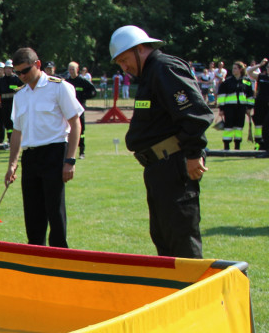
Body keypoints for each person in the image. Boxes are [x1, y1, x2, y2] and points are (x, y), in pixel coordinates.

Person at [110, 25, 213, 258]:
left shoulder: (165, 68)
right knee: (163, 239)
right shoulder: (149, 75)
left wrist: (194, 154)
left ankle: (190, 292)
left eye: (125, 60)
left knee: (181, 239)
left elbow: (195, 114)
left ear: (139, 49)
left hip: (174, 165)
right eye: (119, 64)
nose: (124, 68)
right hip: (158, 167)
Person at [3, 48, 83, 248]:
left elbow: (75, 123)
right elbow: (17, 132)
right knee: (32, 211)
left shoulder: (59, 88)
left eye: (25, 70)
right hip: (30, 157)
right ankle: (35, 252)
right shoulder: (20, 95)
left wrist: (70, 160)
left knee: (54, 209)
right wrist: (12, 164)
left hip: (54, 153)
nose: (22, 76)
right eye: (18, 72)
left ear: (38, 65)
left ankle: (59, 256)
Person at [215, 61, 253, 150]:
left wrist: (249, 107)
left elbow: (250, 95)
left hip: (241, 107)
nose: (233, 70)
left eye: (235, 68)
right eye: (233, 68)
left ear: (240, 69)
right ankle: (226, 146)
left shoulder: (246, 81)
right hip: (229, 107)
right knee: (228, 127)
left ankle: (237, 146)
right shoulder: (227, 81)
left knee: (239, 127)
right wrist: (221, 108)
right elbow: (221, 96)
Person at [66, 62, 96, 158]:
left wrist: (84, 96)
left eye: (73, 69)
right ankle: (68, 152)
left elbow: (93, 91)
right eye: (70, 69)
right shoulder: (66, 82)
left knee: (81, 131)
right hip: (69, 110)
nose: (71, 71)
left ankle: (81, 151)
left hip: (79, 111)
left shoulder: (82, 81)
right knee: (68, 131)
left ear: (77, 70)